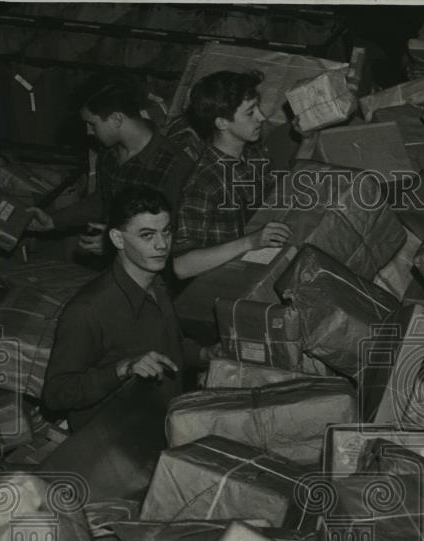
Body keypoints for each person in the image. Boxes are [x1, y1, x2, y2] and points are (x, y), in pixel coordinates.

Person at [43, 186, 204, 430]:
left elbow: (167, 347)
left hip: (162, 418)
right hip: (114, 439)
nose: (162, 245)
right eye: (147, 235)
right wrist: (121, 369)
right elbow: (56, 394)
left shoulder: (158, 282)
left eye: (167, 232)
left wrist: (204, 355)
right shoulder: (88, 310)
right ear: (118, 239)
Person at [27, 73, 194, 256]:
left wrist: (118, 244)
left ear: (116, 119)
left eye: (92, 123)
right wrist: (53, 220)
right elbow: (103, 201)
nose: (89, 132)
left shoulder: (175, 166)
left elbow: (180, 239)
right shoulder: (109, 152)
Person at [172, 70, 291, 281]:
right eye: (250, 112)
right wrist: (250, 241)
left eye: (258, 107)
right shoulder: (204, 182)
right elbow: (181, 266)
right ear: (221, 123)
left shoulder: (253, 151)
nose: (261, 117)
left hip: (260, 267)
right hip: (225, 283)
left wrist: (307, 141)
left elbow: (278, 198)